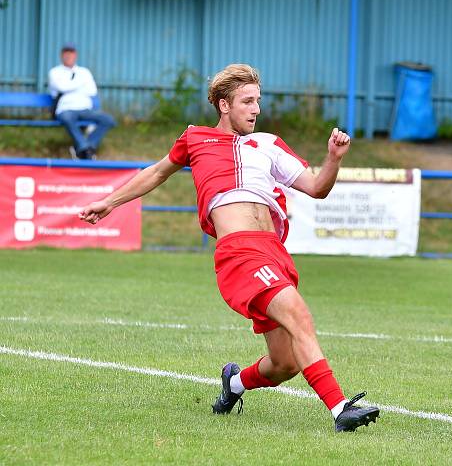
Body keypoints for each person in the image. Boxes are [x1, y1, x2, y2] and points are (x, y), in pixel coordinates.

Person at [78, 64, 380, 432]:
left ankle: (233, 384)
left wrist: (333, 158)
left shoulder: (268, 143)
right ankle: (339, 409)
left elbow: (317, 187)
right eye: (246, 101)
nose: (256, 109)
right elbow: (156, 173)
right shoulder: (195, 139)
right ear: (224, 105)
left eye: (258, 101)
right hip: (240, 252)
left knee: (284, 363)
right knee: (299, 316)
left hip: (273, 250)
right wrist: (110, 201)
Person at [48, 43, 116, 160]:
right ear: (61, 55)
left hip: (85, 109)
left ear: (76, 55)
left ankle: (85, 147)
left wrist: (70, 85)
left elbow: (92, 91)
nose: (69, 55)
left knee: (108, 120)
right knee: (67, 118)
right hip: (66, 108)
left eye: (71, 53)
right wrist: (80, 84)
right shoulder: (55, 72)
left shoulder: (84, 71)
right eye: (66, 53)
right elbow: (61, 87)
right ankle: (86, 151)